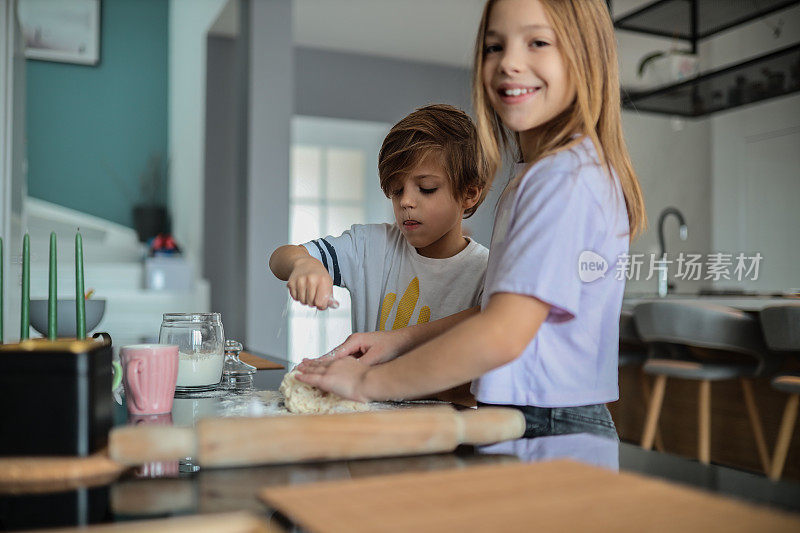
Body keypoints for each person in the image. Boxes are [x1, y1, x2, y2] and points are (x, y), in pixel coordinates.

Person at [295, 0, 647, 441]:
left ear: (586, 56)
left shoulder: (564, 179)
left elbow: (501, 334)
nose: (509, 63)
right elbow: (499, 313)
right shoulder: (546, 174)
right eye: (494, 47)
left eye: (537, 42)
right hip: (531, 415)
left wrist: (367, 383)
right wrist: (398, 341)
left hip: (549, 422)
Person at [270, 104, 490, 336]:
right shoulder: (370, 245)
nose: (405, 201)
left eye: (426, 188)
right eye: (396, 191)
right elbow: (279, 259)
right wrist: (303, 264)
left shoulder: (487, 272)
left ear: (469, 194)